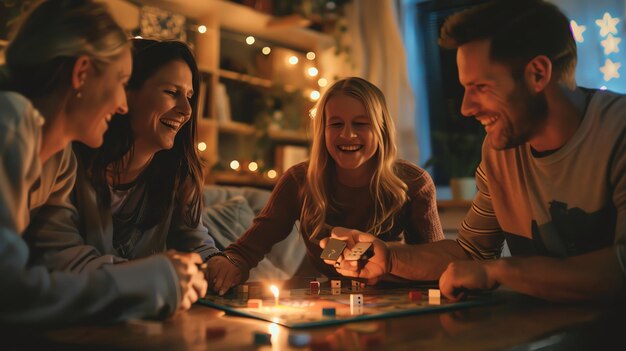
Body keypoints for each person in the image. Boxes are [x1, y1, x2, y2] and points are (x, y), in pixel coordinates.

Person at [321, 0, 626, 303]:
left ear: (537, 74)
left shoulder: (618, 133)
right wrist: (388, 257)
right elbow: (471, 252)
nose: (466, 108)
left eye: (480, 87)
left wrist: (502, 271)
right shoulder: (500, 152)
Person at [0, 0, 206, 326]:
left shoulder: (59, 159)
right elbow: (10, 294)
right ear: (81, 73)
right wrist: (140, 282)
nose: (123, 105)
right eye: (122, 82)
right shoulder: (9, 119)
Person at [207, 77, 445, 295]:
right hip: (326, 300)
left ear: (381, 129)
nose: (348, 134)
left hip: (393, 297)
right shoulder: (298, 180)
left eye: (361, 124)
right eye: (336, 124)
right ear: (323, 130)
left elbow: (436, 264)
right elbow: (247, 249)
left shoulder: (414, 182)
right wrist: (228, 264)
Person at [26, 38, 227, 281]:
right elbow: (59, 259)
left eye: (189, 96)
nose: (186, 110)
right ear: (126, 92)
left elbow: (195, 242)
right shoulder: (65, 162)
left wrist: (216, 263)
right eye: (172, 92)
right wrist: (151, 277)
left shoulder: (178, 173)